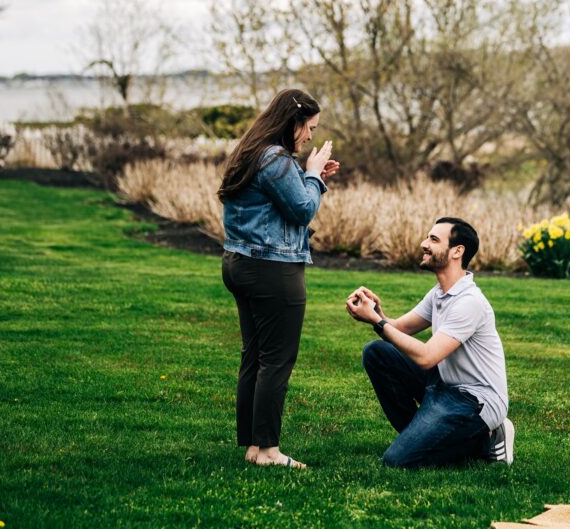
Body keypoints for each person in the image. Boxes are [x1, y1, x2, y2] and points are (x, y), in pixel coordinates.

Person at [217, 88, 339, 468]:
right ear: (294, 122)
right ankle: (268, 451)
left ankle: (255, 447)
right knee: (276, 360)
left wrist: (310, 176)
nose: (309, 138)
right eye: (309, 128)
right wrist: (314, 177)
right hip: (272, 268)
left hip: (240, 263)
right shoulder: (275, 158)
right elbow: (302, 210)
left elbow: (285, 203)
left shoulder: (251, 151)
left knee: (254, 356)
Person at [346, 217, 514, 469]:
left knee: (397, 461)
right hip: (445, 385)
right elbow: (400, 327)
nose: (424, 243)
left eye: (433, 239)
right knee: (377, 353)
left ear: (458, 251)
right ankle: (422, 436)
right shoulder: (439, 293)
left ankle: (485, 439)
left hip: (474, 401)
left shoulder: (469, 301)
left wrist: (378, 323)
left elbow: (426, 357)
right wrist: (376, 313)